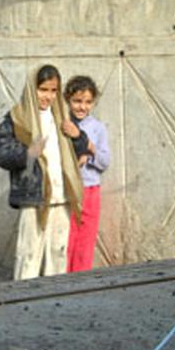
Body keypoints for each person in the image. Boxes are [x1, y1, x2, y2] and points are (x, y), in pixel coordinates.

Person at [0, 65, 89, 280]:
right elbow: (2, 154)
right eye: (43, 90)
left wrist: (77, 137)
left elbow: (79, 152)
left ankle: (55, 300)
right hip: (34, 197)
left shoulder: (62, 116)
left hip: (62, 196)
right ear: (32, 89)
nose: (48, 96)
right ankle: (24, 301)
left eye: (53, 91)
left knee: (58, 253)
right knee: (28, 254)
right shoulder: (17, 118)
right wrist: (27, 153)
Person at [62, 76, 110, 272]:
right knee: (66, 240)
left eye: (88, 102)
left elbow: (105, 161)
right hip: (65, 191)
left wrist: (89, 151)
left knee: (85, 242)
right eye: (77, 101)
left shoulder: (97, 128)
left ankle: (81, 280)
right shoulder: (62, 124)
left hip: (89, 190)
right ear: (68, 100)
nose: (82, 107)